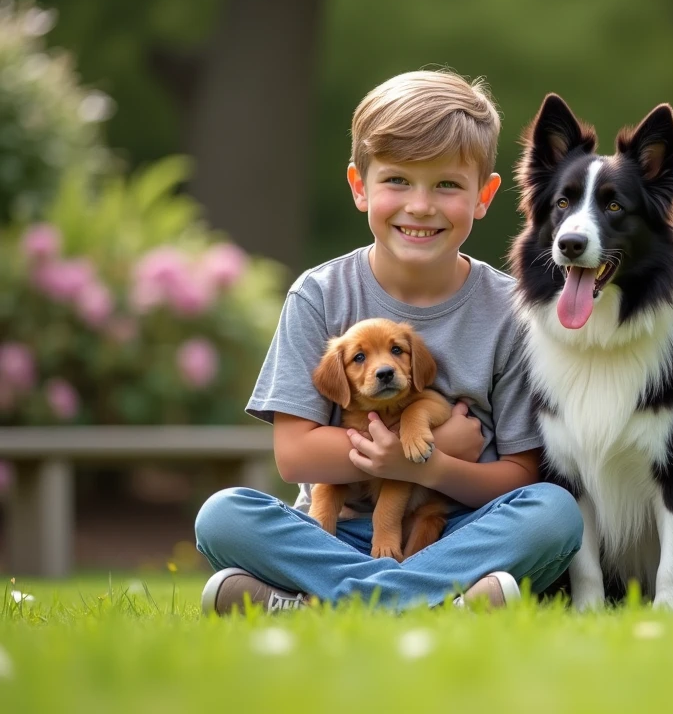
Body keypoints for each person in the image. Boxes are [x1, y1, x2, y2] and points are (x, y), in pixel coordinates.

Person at [194, 70, 583, 614]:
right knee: (223, 515)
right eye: (397, 181)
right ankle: (438, 603)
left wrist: (433, 470)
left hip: (449, 532)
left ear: (484, 196)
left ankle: (316, 603)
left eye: (447, 185)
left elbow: (519, 475)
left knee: (553, 513)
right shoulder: (319, 294)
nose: (420, 206)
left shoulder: (511, 310)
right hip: (337, 536)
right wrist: (416, 451)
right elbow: (295, 455)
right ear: (359, 186)